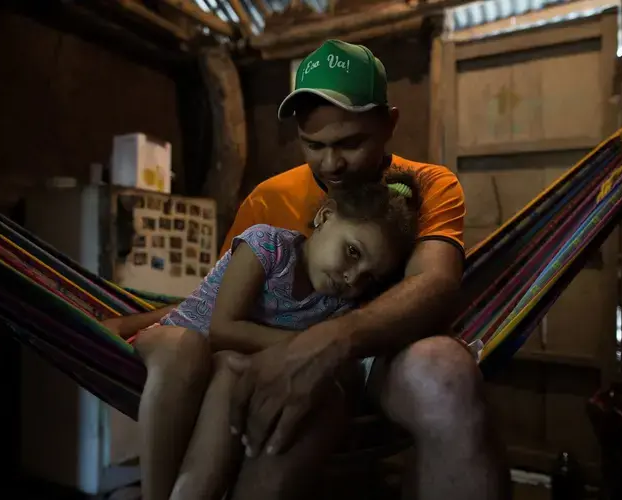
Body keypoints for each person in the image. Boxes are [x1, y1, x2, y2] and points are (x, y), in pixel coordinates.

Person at [106, 39, 509, 500]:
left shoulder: (424, 188)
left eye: (351, 143)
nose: (331, 163)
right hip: (276, 366)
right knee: (274, 393)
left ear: (388, 123)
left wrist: (330, 344)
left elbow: (433, 283)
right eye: (313, 145)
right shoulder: (267, 204)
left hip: (383, 358)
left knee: (447, 374)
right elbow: (218, 305)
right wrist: (132, 322)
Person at [104, 170, 424, 500]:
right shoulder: (266, 247)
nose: (351, 277)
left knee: (235, 370)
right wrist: (312, 346)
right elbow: (223, 328)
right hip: (173, 344)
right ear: (325, 217)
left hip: (221, 375)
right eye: (353, 252)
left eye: (367, 277)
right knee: (189, 348)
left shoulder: (337, 308)